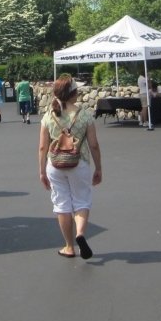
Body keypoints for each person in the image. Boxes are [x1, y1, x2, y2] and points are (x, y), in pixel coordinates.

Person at [38, 76, 102, 260]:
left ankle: (68, 246)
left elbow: (42, 147)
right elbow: (94, 145)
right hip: (79, 163)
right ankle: (80, 234)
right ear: (73, 93)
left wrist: (42, 170)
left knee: (62, 204)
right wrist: (98, 168)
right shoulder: (84, 115)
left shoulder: (48, 116)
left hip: (55, 164)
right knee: (81, 201)